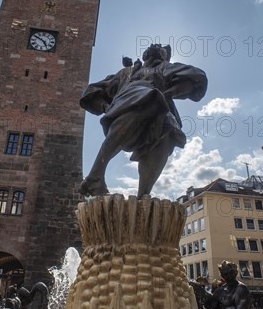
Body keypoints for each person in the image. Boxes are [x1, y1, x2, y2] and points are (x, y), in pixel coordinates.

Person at [79, 43, 207, 197]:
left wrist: (169, 93)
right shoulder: (127, 72)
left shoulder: (165, 68)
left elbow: (196, 78)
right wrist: (105, 106)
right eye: (154, 49)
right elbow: (92, 91)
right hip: (128, 103)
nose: (157, 50)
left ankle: (144, 195)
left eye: (162, 52)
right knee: (149, 99)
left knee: (168, 133)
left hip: (160, 108)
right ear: (145, 54)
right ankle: (95, 176)